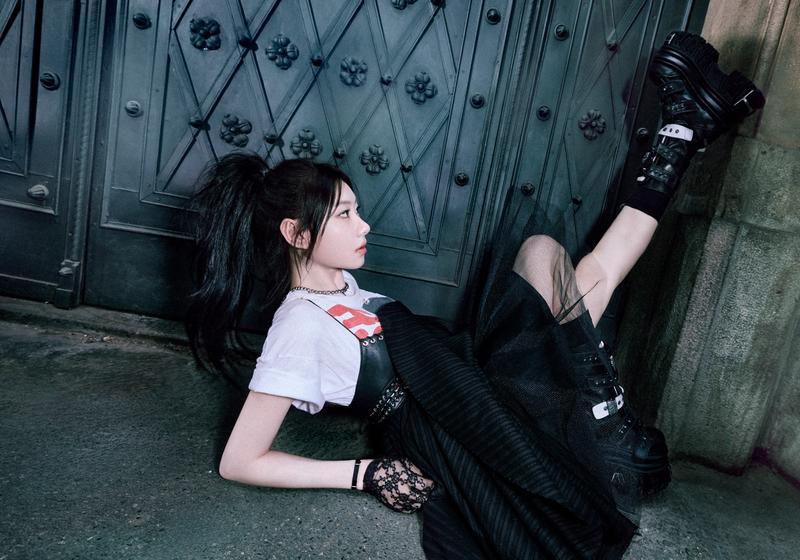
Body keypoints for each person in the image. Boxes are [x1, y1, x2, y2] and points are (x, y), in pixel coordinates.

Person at [185, 32, 764, 559]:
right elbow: (240, 460)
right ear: (295, 234)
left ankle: (684, 131)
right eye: (344, 216)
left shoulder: (341, 288)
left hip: (469, 378)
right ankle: (684, 131)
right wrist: (364, 473)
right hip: (459, 422)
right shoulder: (297, 326)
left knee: (544, 257)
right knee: (571, 282)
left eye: (357, 210)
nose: (364, 226)